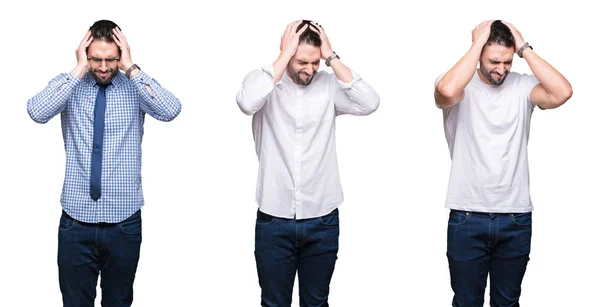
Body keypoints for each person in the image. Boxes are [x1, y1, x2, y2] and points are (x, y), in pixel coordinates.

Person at [27, 19, 181, 307]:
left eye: (111, 59)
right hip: (76, 222)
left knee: (119, 301)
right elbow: (36, 111)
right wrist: (77, 70)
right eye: (96, 58)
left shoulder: (135, 87)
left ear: (120, 56)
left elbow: (171, 109)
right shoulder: (68, 86)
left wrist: (132, 68)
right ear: (85, 55)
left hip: (124, 222)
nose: (103, 67)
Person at [236, 20, 379, 306]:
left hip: (322, 218)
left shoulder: (328, 85)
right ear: (287, 54)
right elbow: (247, 102)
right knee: (273, 302)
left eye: (315, 63)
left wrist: (331, 56)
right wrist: (282, 55)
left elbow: (370, 102)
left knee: (316, 302)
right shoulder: (263, 82)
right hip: (274, 218)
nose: (310, 70)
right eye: (302, 61)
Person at [434, 20, 572, 306]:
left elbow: (563, 92)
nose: (501, 68)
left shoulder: (523, 86)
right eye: (493, 60)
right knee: (465, 302)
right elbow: (446, 92)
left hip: (515, 217)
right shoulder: (458, 83)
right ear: (478, 55)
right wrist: (475, 44)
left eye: (507, 61)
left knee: (507, 302)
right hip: (467, 216)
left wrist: (523, 47)